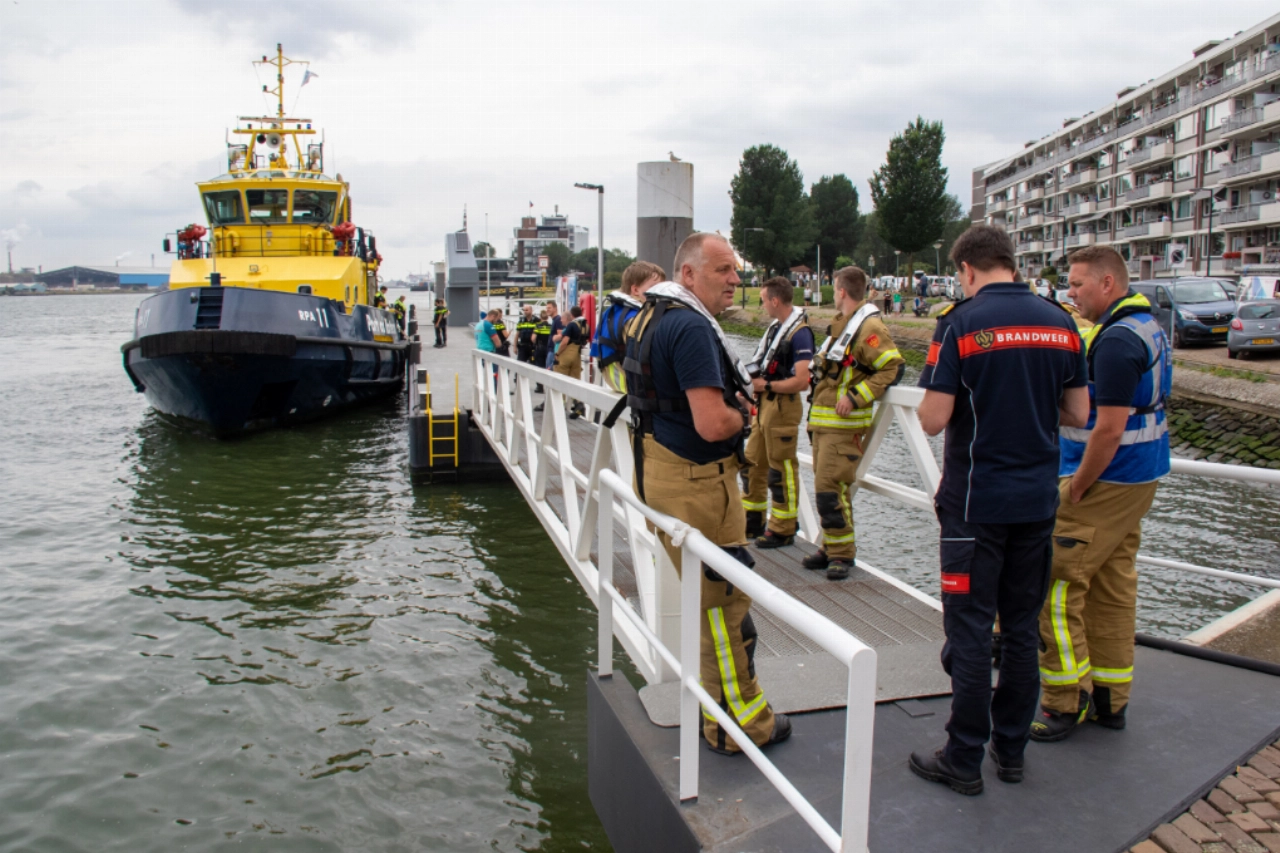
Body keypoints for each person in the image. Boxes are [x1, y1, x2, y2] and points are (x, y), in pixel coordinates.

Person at [909, 224, 1089, 796]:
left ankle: (963, 757)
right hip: (1036, 502)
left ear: (966, 269)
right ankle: (1010, 751)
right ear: (1010, 262)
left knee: (968, 629)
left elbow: (933, 419)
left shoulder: (958, 324)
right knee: (1020, 629)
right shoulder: (1061, 322)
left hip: (975, 505)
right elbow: (1079, 413)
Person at [616, 232, 790, 756]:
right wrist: (744, 414)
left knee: (707, 604)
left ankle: (715, 711)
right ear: (688, 274)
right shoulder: (691, 327)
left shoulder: (649, 315)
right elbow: (713, 424)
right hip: (697, 484)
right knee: (724, 609)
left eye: (736, 270)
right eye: (722, 270)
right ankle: (740, 729)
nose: (736, 280)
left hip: (657, 471)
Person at [1031, 245, 1171, 742]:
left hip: (1104, 481)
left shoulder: (1115, 342)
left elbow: (1108, 428)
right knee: (1112, 588)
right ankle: (1111, 698)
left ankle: (1066, 701)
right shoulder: (1147, 327)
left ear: (1107, 283)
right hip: (1140, 478)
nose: (1070, 293)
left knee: (1054, 588)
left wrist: (1078, 485)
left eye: (1077, 283)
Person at [803, 267, 904, 580]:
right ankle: (832, 546)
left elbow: (892, 368)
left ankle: (842, 555)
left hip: (843, 426)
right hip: (825, 423)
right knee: (826, 487)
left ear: (842, 291)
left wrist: (856, 397)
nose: (834, 294)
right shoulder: (843, 324)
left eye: (834, 288)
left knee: (829, 489)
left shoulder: (869, 327)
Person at [740, 276, 814, 547]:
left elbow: (803, 381)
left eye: (763, 300)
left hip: (782, 406)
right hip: (764, 404)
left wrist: (767, 385)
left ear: (774, 300)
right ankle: (753, 519)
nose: (762, 306)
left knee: (780, 468)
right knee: (751, 463)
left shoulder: (800, 334)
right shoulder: (775, 329)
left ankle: (784, 527)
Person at [593, 261, 664, 393]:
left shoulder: (610, 313)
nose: (661, 292)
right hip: (635, 388)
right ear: (635, 290)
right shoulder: (635, 318)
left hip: (616, 384)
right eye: (654, 287)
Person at [553, 305, 589, 418]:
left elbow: (565, 341)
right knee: (575, 380)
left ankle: (559, 405)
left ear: (572, 315)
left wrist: (557, 353)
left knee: (560, 379)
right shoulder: (585, 325)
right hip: (577, 355)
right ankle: (579, 404)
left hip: (567, 354)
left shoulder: (572, 325)